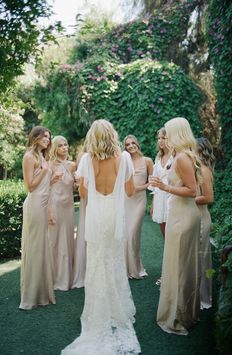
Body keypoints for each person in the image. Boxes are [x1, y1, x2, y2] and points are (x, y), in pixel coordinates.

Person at [62, 120, 141, 355]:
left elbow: (84, 194)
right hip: (114, 218)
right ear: (112, 135)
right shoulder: (124, 159)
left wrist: (87, 183)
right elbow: (129, 191)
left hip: (96, 218)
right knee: (114, 261)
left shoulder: (87, 160)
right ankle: (117, 311)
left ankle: (99, 312)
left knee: (96, 263)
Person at [151, 117, 201, 335]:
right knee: (178, 265)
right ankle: (183, 312)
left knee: (179, 267)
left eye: (169, 132)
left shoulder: (182, 158)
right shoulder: (182, 155)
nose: (166, 137)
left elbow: (193, 191)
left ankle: (179, 317)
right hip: (179, 214)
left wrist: (164, 186)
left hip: (183, 216)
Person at [19, 126, 56, 310]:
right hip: (34, 205)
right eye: (45, 137)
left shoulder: (42, 156)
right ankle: (31, 295)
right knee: (34, 248)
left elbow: (43, 183)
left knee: (42, 247)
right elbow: (30, 186)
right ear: (35, 137)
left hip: (43, 205)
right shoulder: (29, 157)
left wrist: (51, 178)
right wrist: (44, 170)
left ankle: (42, 291)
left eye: (49, 137)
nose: (48, 140)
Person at [48, 136, 76, 291]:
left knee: (67, 238)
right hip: (55, 204)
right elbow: (45, 187)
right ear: (55, 149)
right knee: (54, 240)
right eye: (60, 146)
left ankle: (67, 277)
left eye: (66, 144)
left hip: (68, 205)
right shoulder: (50, 164)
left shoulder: (72, 165)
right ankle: (54, 278)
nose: (64, 147)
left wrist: (79, 183)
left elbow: (74, 186)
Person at [124, 135, 153, 279]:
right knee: (126, 235)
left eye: (133, 143)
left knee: (132, 234)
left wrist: (142, 187)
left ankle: (136, 269)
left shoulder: (147, 161)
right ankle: (126, 268)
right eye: (128, 144)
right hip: (126, 201)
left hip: (139, 202)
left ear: (137, 143)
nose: (130, 146)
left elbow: (154, 183)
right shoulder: (124, 161)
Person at [196, 137, 215, 309]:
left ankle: (203, 297)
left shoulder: (204, 170)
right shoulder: (196, 169)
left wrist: (188, 198)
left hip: (201, 218)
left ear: (201, 151)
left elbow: (209, 198)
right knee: (195, 257)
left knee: (201, 257)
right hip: (194, 217)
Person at [150, 127, 173, 237]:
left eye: (164, 138)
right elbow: (154, 182)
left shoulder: (176, 156)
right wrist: (153, 204)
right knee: (163, 230)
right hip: (159, 196)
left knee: (172, 228)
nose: (160, 140)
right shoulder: (158, 157)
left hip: (171, 195)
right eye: (159, 138)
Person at [72, 145, 87, 289]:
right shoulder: (83, 156)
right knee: (84, 231)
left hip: (96, 197)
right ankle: (82, 270)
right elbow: (78, 183)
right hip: (86, 198)